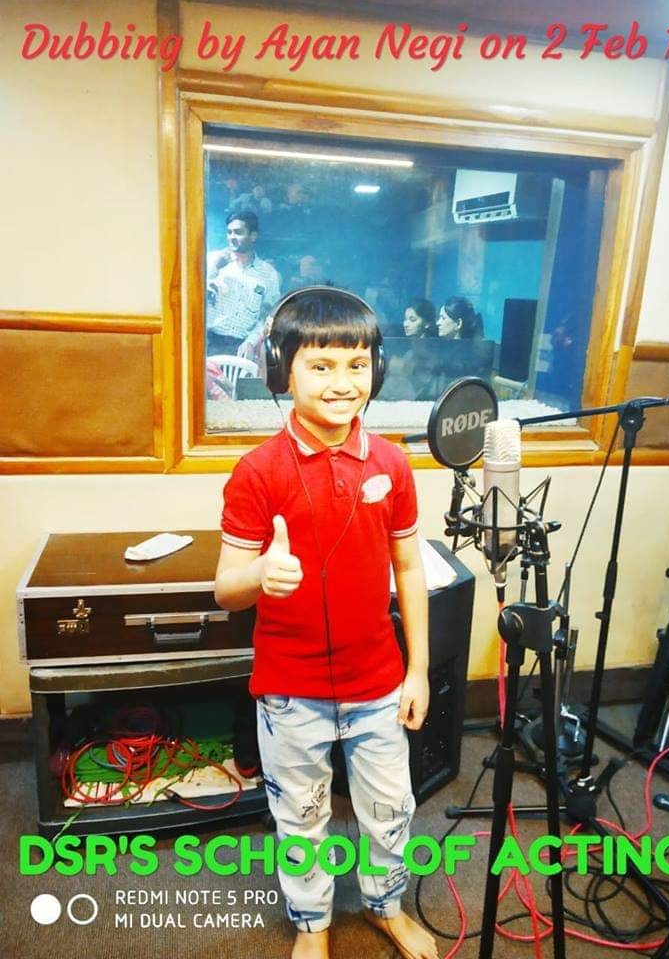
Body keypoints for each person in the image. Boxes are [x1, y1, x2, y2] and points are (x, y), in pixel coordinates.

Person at [214, 287, 437, 959]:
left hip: (378, 681)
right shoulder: (256, 472)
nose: (343, 383)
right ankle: (312, 923)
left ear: (377, 369)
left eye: (357, 365)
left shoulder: (392, 463)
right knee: (301, 816)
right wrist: (261, 573)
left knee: (391, 811)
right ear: (281, 370)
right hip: (291, 690)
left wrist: (419, 670)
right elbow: (226, 589)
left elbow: (409, 569)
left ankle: (385, 905)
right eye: (321, 366)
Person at [206, 209, 281, 356]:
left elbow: (268, 316)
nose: (232, 237)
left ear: (253, 236)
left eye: (238, 232)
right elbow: (192, 297)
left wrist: (251, 342)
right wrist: (214, 269)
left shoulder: (268, 274)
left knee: (248, 373)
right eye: (229, 232)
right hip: (209, 343)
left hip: (245, 347)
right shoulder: (212, 261)